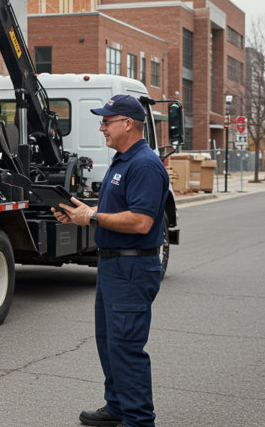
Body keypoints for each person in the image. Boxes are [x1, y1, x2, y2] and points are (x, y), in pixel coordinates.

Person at [52, 94, 169, 427]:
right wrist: (78, 215)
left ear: (128, 124)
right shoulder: (123, 161)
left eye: (107, 121)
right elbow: (109, 213)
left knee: (126, 345)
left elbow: (141, 221)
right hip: (114, 266)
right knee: (109, 342)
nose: (101, 127)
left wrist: (91, 217)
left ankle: (139, 420)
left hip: (132, 267)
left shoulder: (144, 164)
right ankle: (117, 405)